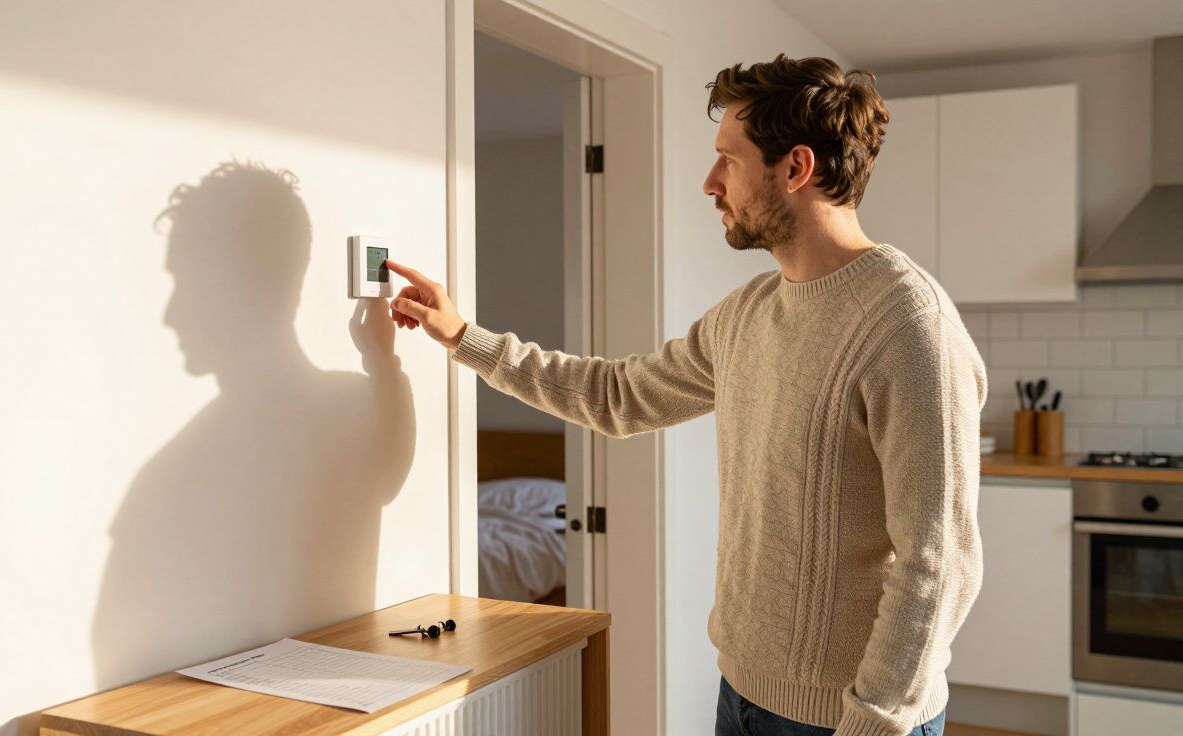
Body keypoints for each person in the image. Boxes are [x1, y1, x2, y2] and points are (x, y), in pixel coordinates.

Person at [386, 53, 985, 736]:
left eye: (728, 159)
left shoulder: (909, 327)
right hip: (742, 696)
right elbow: (616, 396)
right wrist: (464, 336)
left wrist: (873, 723)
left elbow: (939, 564)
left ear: (795, 169)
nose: (710, 182)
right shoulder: (750, 314)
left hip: (851, 721)